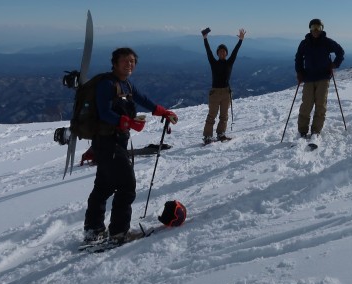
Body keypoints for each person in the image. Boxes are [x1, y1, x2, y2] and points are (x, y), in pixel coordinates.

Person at [83, 47, 179, 244]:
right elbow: (104, 113)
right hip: (107, 142)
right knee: (127, 185)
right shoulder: (106, 84)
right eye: (125, 61)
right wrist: (128, 122)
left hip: (114, 141)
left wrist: (162, 111)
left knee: (103, 186)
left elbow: (142, 99)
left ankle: (93, 230)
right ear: (115, 63)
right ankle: (118, 233)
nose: (129, 64)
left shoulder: (125, 84)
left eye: (132, 61)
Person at [294, 18, 345, 140]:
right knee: (306, 105)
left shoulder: (327, 42)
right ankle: (302, 131)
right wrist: (300, 72)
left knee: (320, 105)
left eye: (318, 27)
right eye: (313, 27)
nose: (316, 30)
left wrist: (335, 64)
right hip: (309, 77)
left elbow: (340, 52)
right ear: (310, 29)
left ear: (322, 29)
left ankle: (316, 131)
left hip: (323, 77)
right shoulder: (304, 43)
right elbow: (298, 58)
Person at [201, 27, 245, 144]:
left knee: (224, 116)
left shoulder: (229, 62)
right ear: (218, 53)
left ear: (226, 53)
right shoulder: (213, 62)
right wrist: (205, 38)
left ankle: (221, 134)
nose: (222, 52)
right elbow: (208, 51)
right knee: (212, 116)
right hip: (215, 93)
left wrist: (240, 40)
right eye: (220, 51)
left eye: (224, 51)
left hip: (226, 92)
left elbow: (235, 51)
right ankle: (207, 137)